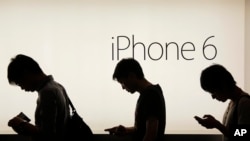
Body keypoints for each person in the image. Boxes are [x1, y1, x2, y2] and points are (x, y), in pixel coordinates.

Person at [7, 54, 70, 141]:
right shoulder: (58, 86)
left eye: (19, 82)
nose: (22, 88)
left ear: (26, 73)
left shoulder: (47, 92)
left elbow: (47, 135)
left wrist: (21, 124)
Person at [105, 58, 166, 141]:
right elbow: (144, 129)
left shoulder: (150, 95)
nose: (123, 87)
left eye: (122, 82)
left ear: (131, 76)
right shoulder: (150, 93)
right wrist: (126, 130)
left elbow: (151, 135)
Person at [194, 64, 250, 141]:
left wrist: (217, 125)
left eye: (213, 92)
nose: (213, 97)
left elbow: (244, 133)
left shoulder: (244, 103)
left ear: (223, 86)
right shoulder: (233, 102)